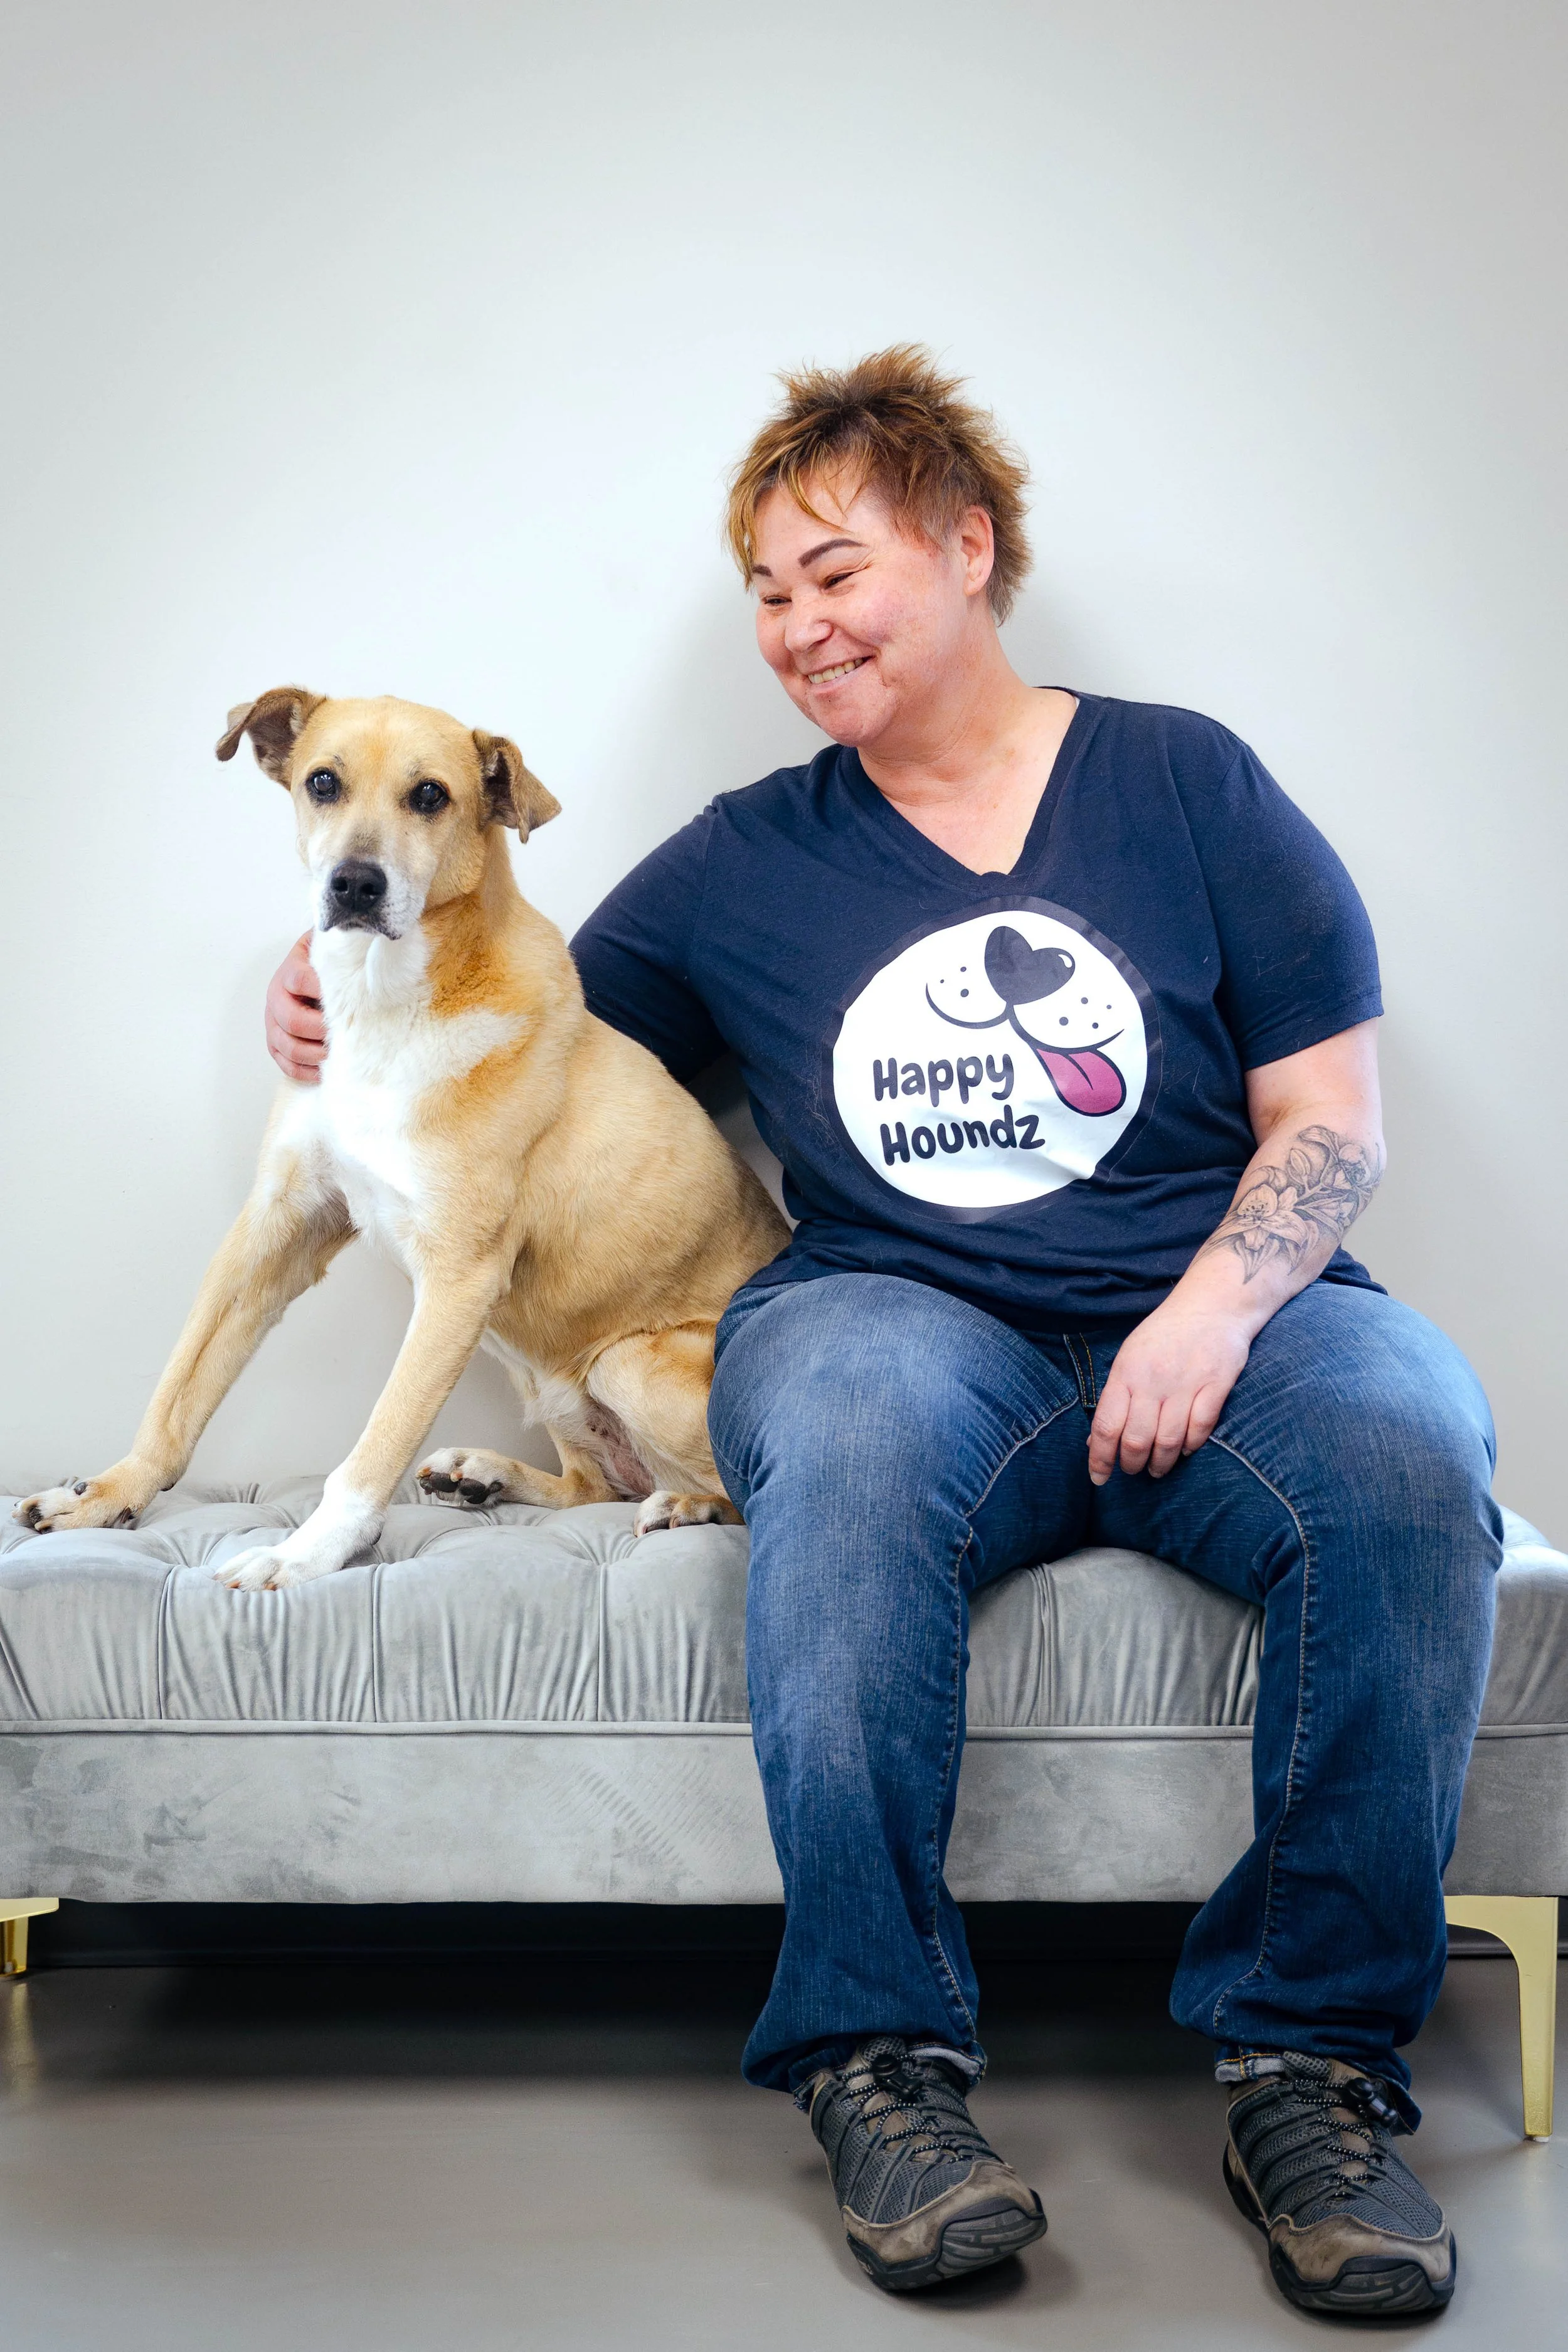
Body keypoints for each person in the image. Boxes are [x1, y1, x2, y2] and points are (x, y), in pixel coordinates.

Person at [266, 347, 1498, 2317]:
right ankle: (879, 2059)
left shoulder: (1186, 782)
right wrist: (335, 978)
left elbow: (1327, 1116)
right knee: (824, 1420)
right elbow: (529, 1016)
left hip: (1232, 1315)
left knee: (1416, 1451)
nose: (794, 627)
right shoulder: (749, 856)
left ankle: (1311, 2069)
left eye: (833, 573)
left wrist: (1207, 1312)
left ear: (967, 547)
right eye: (766, 592)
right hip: (900, 1323)